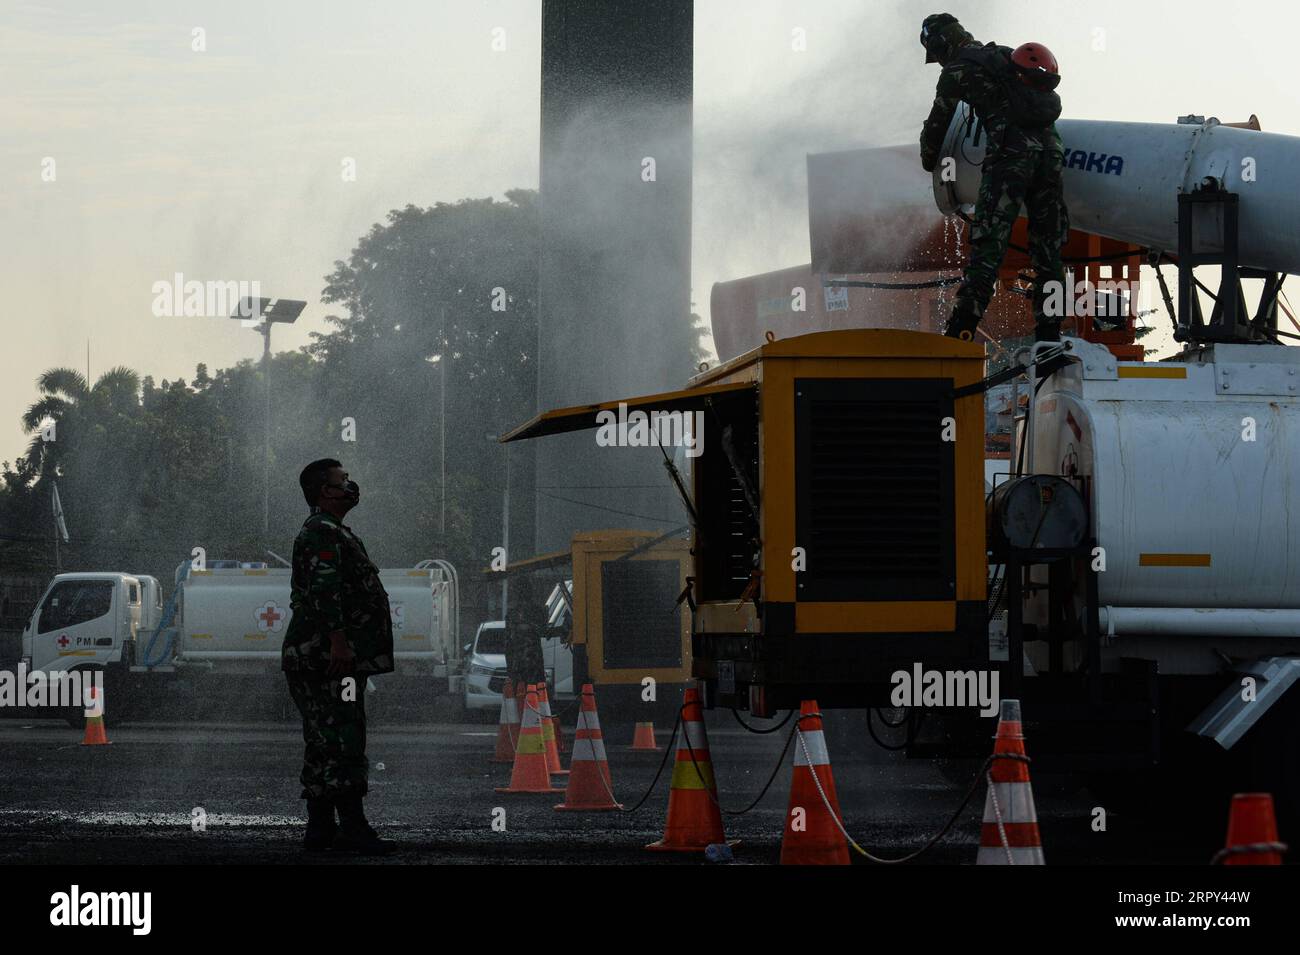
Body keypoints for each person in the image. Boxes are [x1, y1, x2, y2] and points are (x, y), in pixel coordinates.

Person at [918, 13, 1068, 343]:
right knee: (1049, 250)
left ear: (941, 46)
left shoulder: (957, 71)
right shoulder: (1004, 54)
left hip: (1010, 158)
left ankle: (961, 331)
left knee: (988, 246)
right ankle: (1049, 336)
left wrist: (929, 160)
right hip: (1051, 155)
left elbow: (936, 128)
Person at [282, 457, 395, 854]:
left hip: (326, 657)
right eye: (342, 480)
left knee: (327, 739)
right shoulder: (322, 533)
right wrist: (340, 644)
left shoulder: (332, 531)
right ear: (323, 491)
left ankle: (321, 829)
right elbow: (325, 592)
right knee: (342, 737)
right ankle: (351, 827)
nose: (350, 486)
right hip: (328, 659)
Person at [503, 576, 546, 694]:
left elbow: (507, 644)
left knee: (519, 696)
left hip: (519, 665)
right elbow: (544, 632)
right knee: (536, 696)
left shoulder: (512, 614)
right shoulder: (537, 611)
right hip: (533, 664)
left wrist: (510, 669)